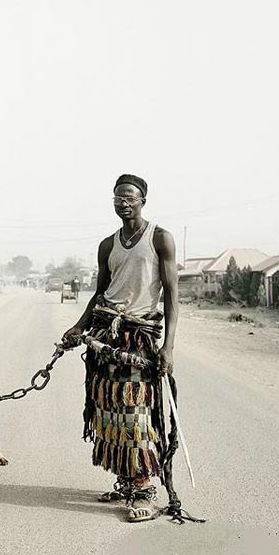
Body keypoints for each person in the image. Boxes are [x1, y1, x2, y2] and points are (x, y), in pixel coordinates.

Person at [62, 173, 178, 523]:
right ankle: (126, 481)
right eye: (118, 197)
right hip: (105, 336)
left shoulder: (160, 238)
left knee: (136, 413)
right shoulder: (106, 245)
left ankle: (144, 488)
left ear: (143, 200)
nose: (123, 202)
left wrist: (168, 347)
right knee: (109, 411)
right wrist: (78, 327)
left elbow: (172, 296)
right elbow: (100, 294)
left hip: (139, 338)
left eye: (129, 196)